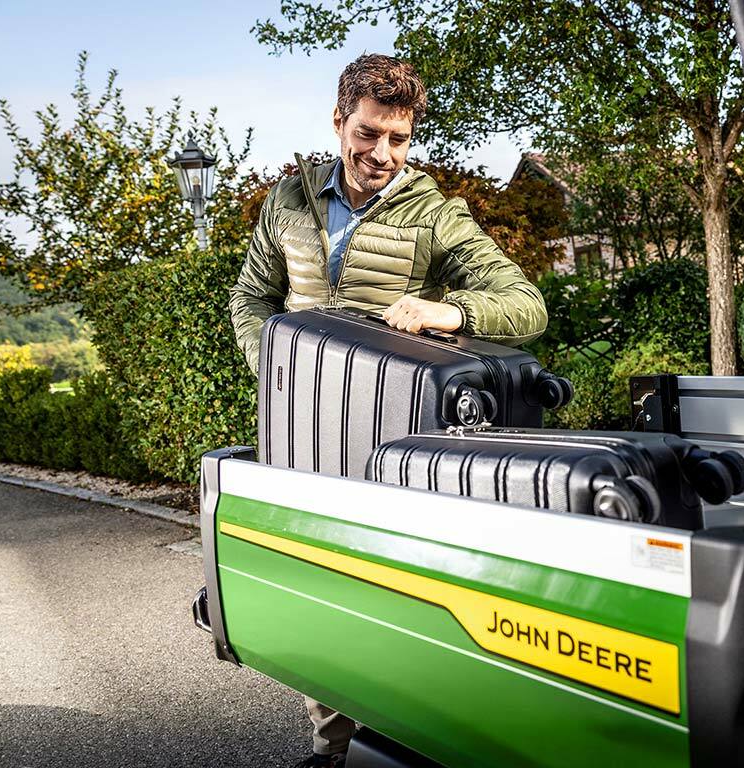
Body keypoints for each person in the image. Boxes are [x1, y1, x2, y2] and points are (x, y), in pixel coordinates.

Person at [228, 54, 547, 768]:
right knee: (311, 589)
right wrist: (271, 369)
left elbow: (527, 306)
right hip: (298, 428)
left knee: (393, 593)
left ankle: (398, 745)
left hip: (392, 437)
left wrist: (448, 309)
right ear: (339, 121)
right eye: (369, 134)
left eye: (399, 139)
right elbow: (251, 297)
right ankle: (331, 748)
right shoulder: (288, 200)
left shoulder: (435, 213)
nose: (382, 155)